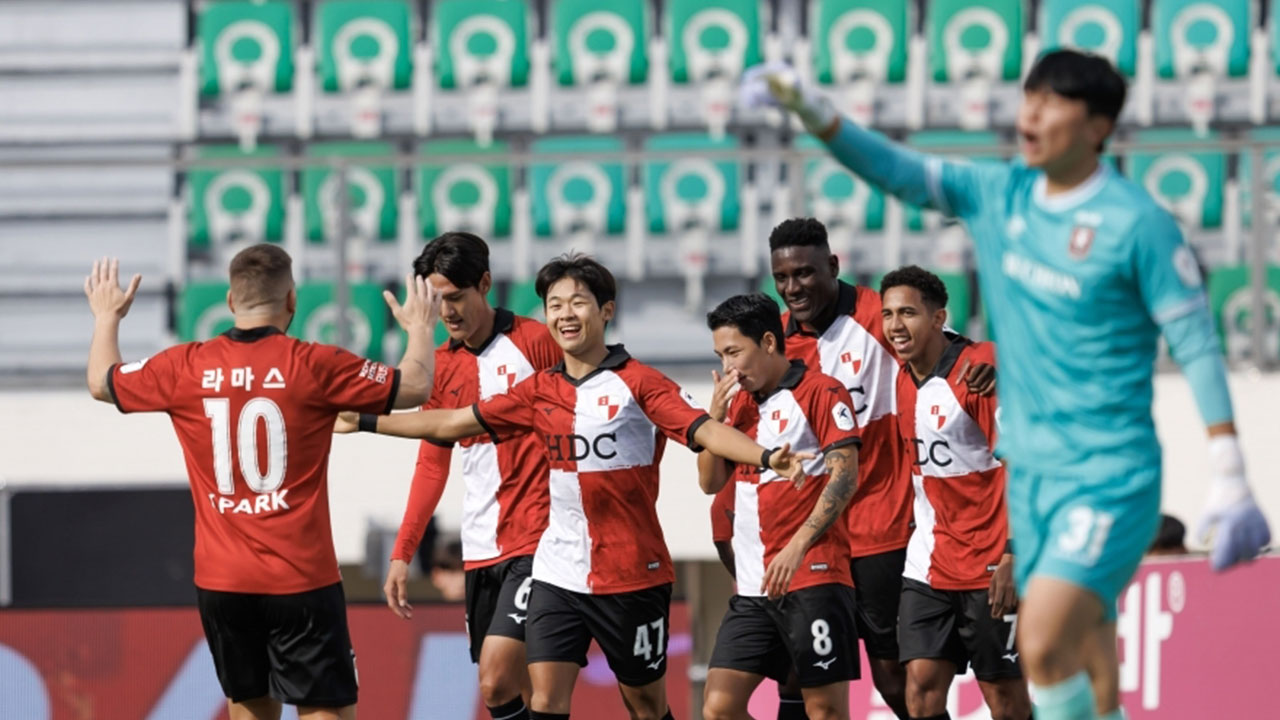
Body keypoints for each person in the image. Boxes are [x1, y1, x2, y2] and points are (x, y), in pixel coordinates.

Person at [742, 49, 1271, 720]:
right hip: (1032, 483)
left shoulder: (1138, 224)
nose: (1031, 115)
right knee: (1092, 667)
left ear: (1098, 126)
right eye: (1028, 99)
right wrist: (811, 109)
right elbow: (898, 172)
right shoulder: (1000, 196)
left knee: (1044, 645)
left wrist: (1228, 467)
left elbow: (1195, 340)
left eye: (1051, 104)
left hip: (1108, 474)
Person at [337, 253, 813, 720]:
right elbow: (451, 424)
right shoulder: (538, 390)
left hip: (632, 574)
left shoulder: (641, 384)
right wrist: (365, 420)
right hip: (557, 571)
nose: (566, 314)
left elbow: (704, 431)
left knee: (646, 707)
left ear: (606, 310)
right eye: (555, 304)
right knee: (545, 701)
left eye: (578, 302)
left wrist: (767, 456)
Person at [83, 245, 439, 720]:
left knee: (249, 708)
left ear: (230, 300)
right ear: (292, 301)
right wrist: (420, 329)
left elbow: (103, 382)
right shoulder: (315, 364)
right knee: (326, 710)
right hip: (301, 580)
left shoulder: (185, 365)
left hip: (223, 583)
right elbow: (414, 386)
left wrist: (107, 316)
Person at [765, 217, 995, 720]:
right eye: (781, 278)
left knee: (895, 677)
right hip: (812, 533)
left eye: (804, 273)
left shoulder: (877, 315)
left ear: (832, 265)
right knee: (798, 670)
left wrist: (986, 364)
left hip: (882, 526)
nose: (792, 288)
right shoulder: (776, 345)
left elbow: (948, 351)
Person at [385, 232, 561, 720]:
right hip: (481, 547)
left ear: (484, 283)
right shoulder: (439, 369)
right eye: (437, 300)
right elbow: (432, 463)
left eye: (456, 297)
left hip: (540, 540)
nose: (447, 312)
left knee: (498, 673)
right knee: (505, 693)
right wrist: (403, 552)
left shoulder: (538, 344)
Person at [698, 294, 862, 720]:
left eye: (734, 352)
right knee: (719, 708)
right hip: (754, 587)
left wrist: (798, 546)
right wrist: (712, 420)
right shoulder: (735, 403)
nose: (728, 366)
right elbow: (709, 482)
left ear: (768, 342)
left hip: (814, 577)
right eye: (720, 355)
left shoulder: (822, 392)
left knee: (825, 711)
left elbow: (845, 477)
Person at [881, 266, 1031, 720]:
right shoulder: (904, 377)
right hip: (928, 562)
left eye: (908, 312)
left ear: (938, 317)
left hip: (988, 564)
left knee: (1004, 699)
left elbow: (1022, 465)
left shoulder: (977, 376)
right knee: (920, 691)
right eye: (888, 314)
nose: (895, 325)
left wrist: (1011, 555)